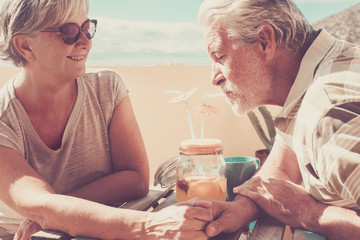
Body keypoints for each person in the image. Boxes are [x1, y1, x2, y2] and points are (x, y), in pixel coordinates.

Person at [0, 0, 212, 239]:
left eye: (88, 27)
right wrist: (150, 226)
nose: (86, 42)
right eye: (68, 32)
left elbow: (135, 179)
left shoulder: (107, 89)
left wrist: (55, 214)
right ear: (25, 45)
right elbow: (36, 203)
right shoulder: (3, 120)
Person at [194, 0, 360, 239]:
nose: (214, 77)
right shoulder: (315, 76)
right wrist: (240, 209)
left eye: (220, 56)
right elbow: (282, 165)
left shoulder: (327, 114)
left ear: (265, 41)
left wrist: (307, 211)